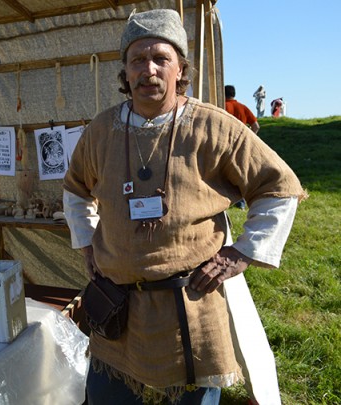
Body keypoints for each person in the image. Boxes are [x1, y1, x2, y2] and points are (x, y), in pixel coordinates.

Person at [63, 8, 305, 405]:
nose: (149, 70)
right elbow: (75, 190)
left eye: (161, 58)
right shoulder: (101, 131)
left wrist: (241, 253)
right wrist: (87, 242)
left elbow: (279, 187)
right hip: (117, 307)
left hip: (191, 307)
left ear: (180, 69)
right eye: (138, 59)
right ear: (125, 71)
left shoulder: (215, 126)